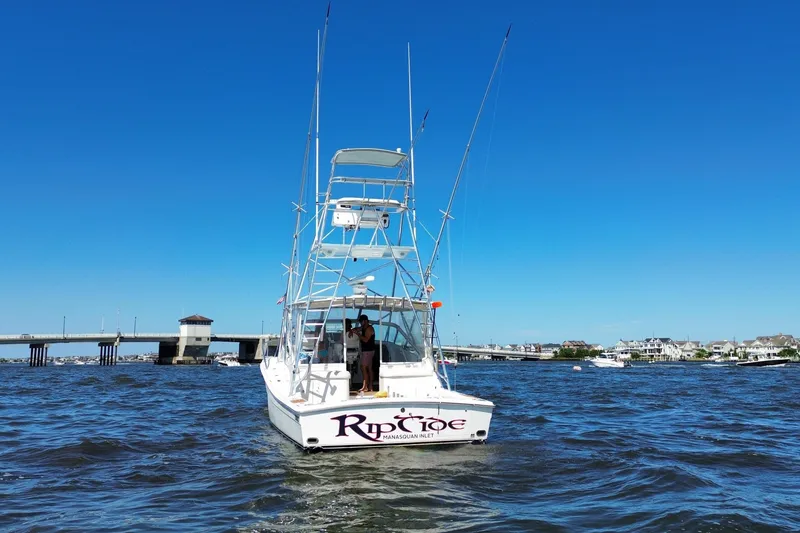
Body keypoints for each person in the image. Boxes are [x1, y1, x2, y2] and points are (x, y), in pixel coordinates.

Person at [357, 314, 375, 392]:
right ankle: (370, 386)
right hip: (369, 350)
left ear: (365, 321)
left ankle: (365, 386)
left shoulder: (369, 329)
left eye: (361, 322)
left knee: (363, 367)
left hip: (368, 351)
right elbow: (357, 329)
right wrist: (352, 330)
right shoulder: (364, 328)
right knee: (369, 368)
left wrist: (358, 334)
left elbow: (366, 340)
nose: (360, 323)